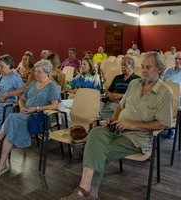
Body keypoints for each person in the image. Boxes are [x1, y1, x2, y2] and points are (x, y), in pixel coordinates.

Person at [60, 51, 173, 200]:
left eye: (148, 67)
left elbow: (163, 124)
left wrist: (131, 125)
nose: (144, 71)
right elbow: (120, 105)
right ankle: (87, 191)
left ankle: (88, 191)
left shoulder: (165, 92)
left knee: (100, 151)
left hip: (136, 137)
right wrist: (113, 119)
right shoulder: (134, 84)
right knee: (95, 134)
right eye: (143, 67)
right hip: (118, 127)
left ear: (159, 69)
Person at [0, 60, 61, 180]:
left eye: (39, 72)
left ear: (47, 72)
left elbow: (55, 105)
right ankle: (1, 164)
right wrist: (23, 107)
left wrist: (37, 108)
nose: (36, 74)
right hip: (24, 115)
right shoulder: (33, 84)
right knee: (11, 127)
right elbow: (22, 99)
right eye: (35, 71)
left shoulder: (52, 86)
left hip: (38, 118)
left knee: (12, 118)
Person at [59, 58, 101, 126]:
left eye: (84, 64)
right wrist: (72, 91)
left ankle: (70, 125)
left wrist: (81, 91)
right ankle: (71, 126)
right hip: (77, 100)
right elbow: (67, 87)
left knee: (61, 105)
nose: (82, 66)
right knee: (60, 104)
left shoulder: (96, 78)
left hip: (88, 101)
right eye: (82, 64)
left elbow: (96, 93)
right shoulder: (78, 77)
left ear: (90, 66)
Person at [163, 51, 181, 138]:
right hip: (166, 98)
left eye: (180, 59)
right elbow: (161, 84)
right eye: (176, 59)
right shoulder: (168, 72)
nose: (177, 61)